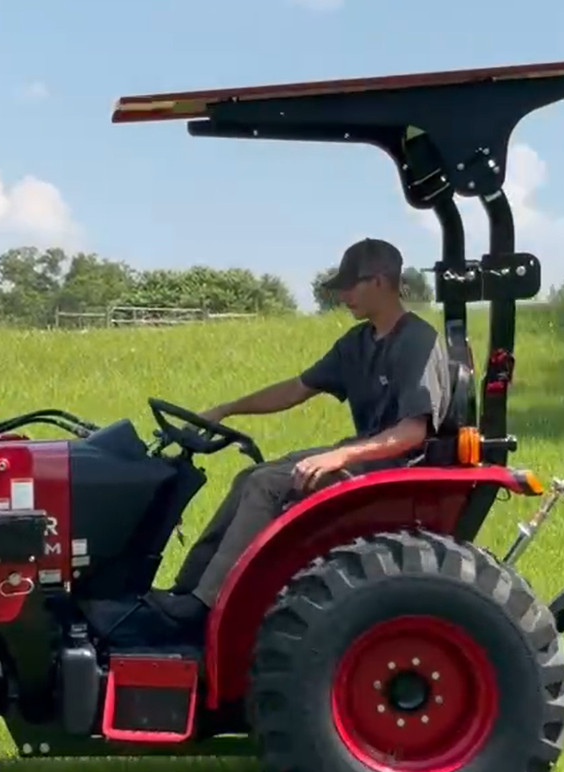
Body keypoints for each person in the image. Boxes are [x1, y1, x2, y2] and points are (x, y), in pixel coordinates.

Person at [107, 238, 452, 642]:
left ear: (379, 281)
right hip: (364, 454)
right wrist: (226, 409)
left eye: (350, 285)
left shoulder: (416, 341)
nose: (342, 295)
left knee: (266, 484)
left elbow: (413, 432)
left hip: (398, 465)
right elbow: (296, 388)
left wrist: (338, 457)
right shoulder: (358, 344)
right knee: (250, 475)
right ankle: (186, 593)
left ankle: (204, 608)